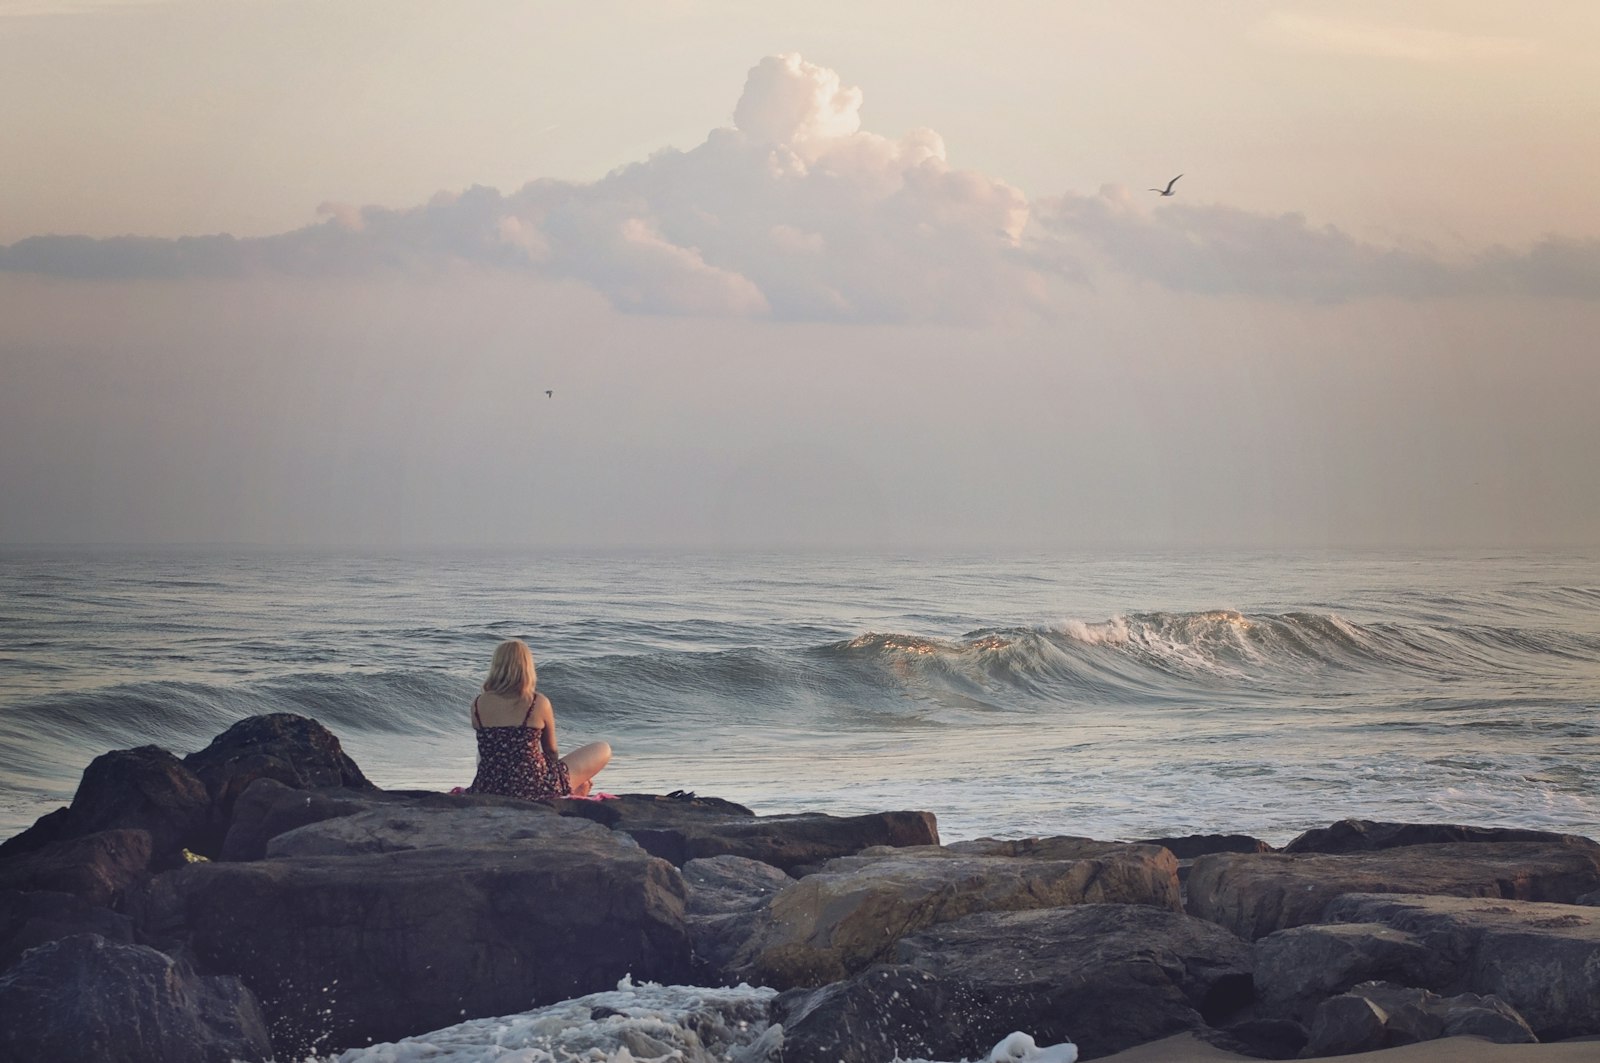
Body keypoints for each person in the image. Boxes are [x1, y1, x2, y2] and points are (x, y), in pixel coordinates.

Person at [465, 639, 611, 799]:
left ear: (496, 667)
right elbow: (551, 751)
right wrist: (554, 775)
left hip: (488, 785)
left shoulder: (478, 703)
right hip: (534, 785)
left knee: (487, 750)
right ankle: (571, 789)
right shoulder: (537, 702)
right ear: (527, 667)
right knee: (603, 748)